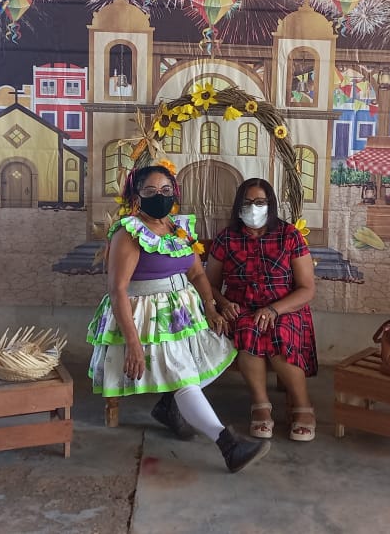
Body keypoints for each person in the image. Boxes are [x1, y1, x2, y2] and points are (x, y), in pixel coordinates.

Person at [86, 165, 270, 472]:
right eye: (150, 191)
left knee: (216, 352)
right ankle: (229, 445)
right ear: (136, 196)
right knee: (184, 377)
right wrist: (133, 343)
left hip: (182, 313)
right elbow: (117, 290)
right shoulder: (128, 233)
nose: (160, 196)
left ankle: (170, 406)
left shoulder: (179, 229)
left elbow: (196, 273)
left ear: (175, 193)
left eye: (166, 190)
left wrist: (210, 307)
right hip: (147, 318)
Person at [205, 178, 318, 442]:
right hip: (241, 309)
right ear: (238, 206)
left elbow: (307, 289)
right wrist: (223, 303)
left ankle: (303, 406)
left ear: (270, 205)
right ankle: (260, 406)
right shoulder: (226, 238)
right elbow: (209, 285)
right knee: (248, 329)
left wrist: (274, 310)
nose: (253, 208)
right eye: (247, 203)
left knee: (279, 334)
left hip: (285, 308)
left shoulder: (289, 236)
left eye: (259, 202)